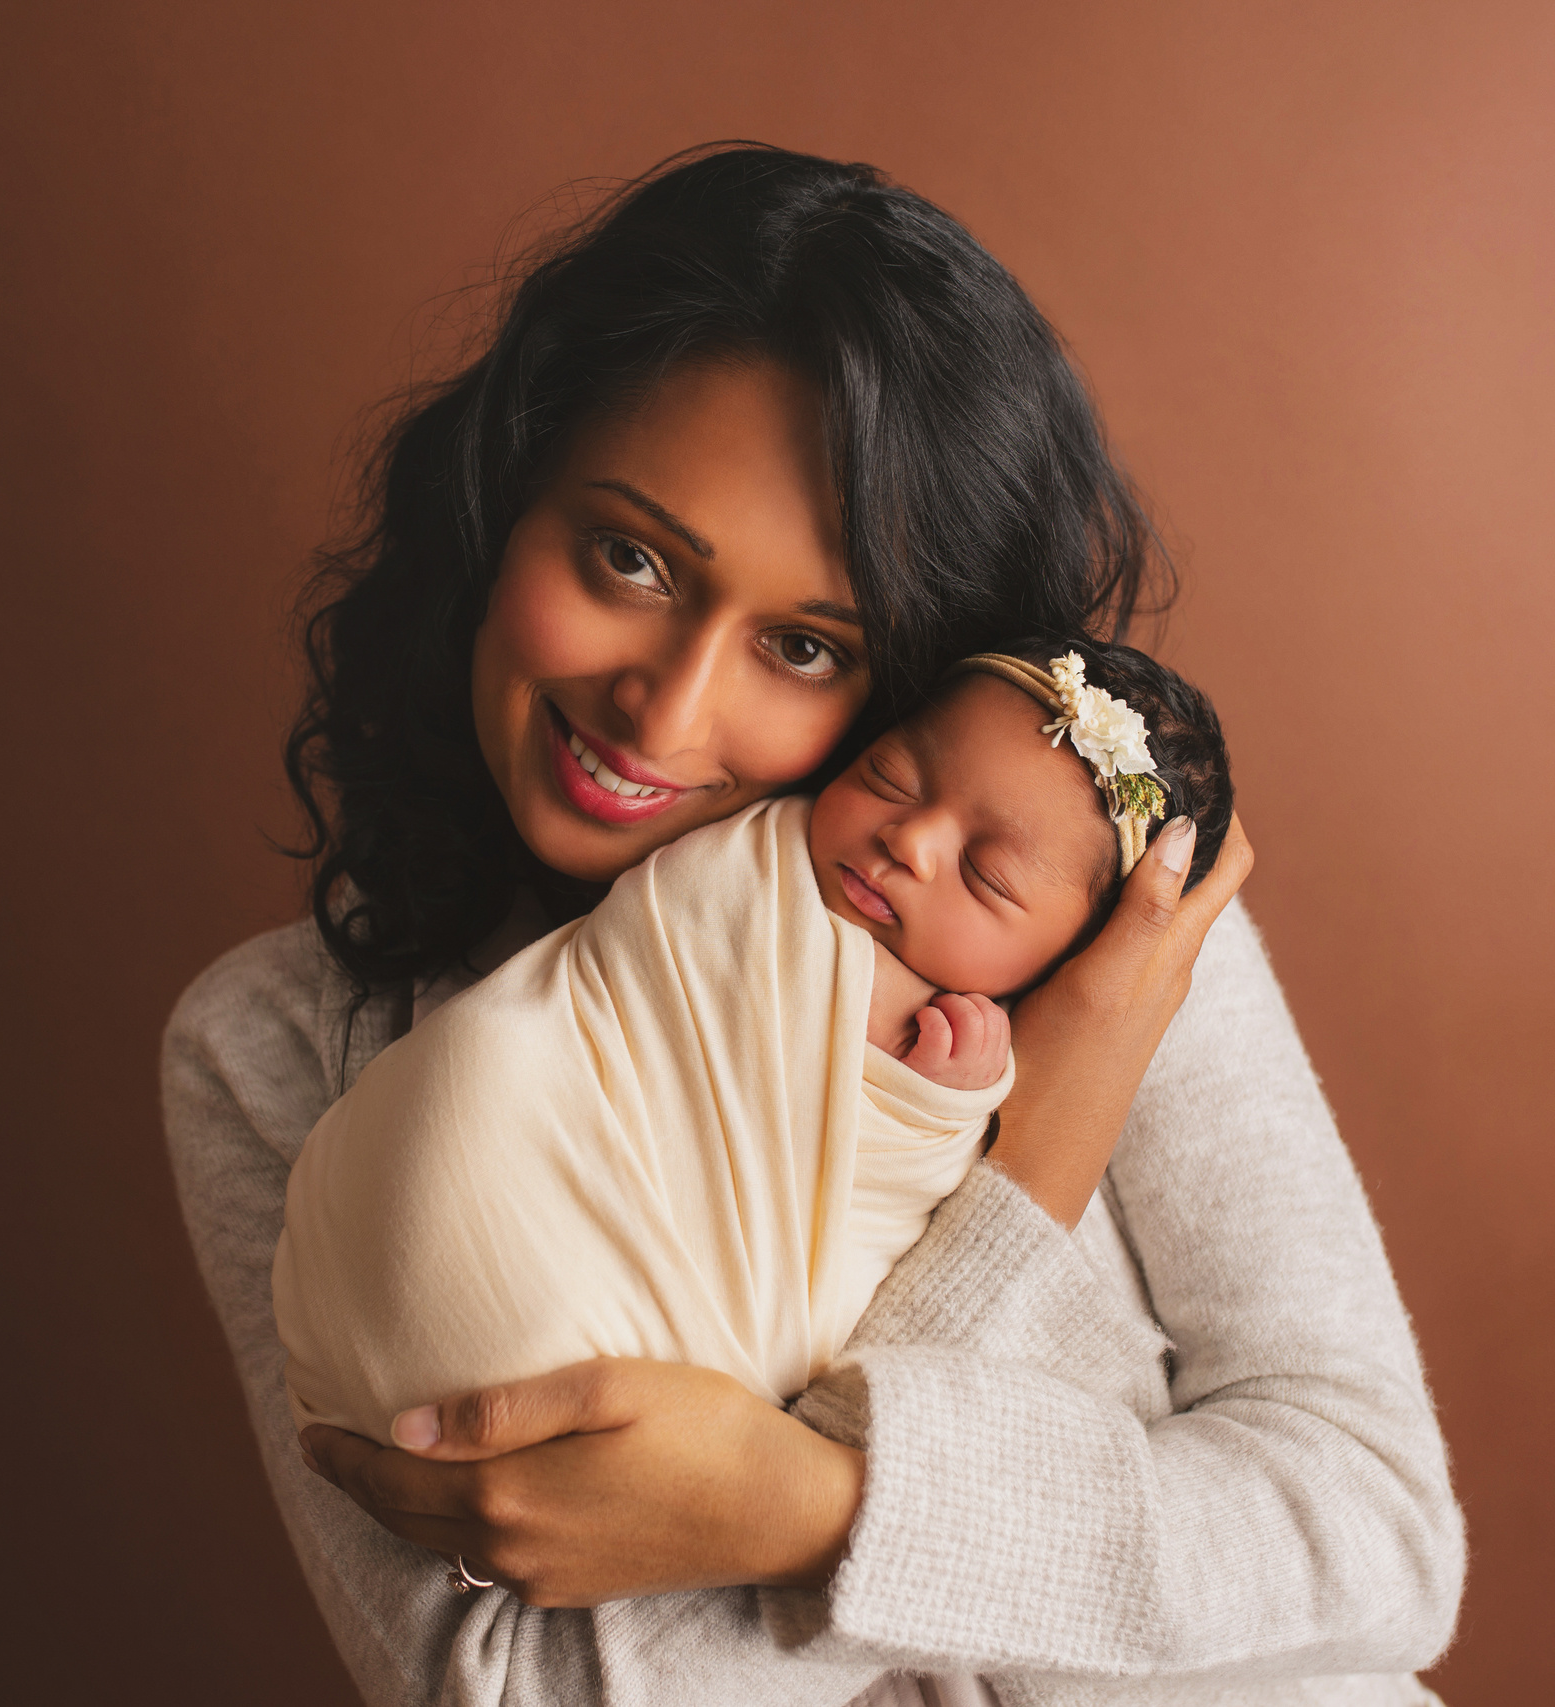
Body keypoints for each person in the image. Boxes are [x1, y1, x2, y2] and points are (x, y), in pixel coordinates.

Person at [162, 143, 1463, 1705]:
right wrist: (1028, 1174)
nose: (668, 706)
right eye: (628, 555)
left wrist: (811, 1504)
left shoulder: (1080, 916)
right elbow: (527, 1695)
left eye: (802, 643)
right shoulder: (275, 1052)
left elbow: (1381, 1540)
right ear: (501, 505)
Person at [274, 641, 1233, 1450]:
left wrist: (933, 1113)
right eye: (890, 776)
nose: (909, 840)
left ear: (1087, 953)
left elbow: (856, 1216)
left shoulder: (1139, 1002)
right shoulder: (753, 859)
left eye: (985, 875)